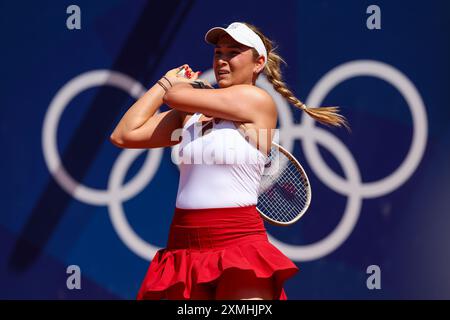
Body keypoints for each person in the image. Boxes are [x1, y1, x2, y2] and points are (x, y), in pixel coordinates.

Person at [110, 22, 348, 300]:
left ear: (259, 63)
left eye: (233, 52)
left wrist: (177, 86)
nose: (222, 61)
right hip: (183, 245)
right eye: (218, 53)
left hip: (237, 242)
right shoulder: (193, 112)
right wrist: (163, 82)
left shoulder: (256, 99)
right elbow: (124, 134)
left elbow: (175, 96)